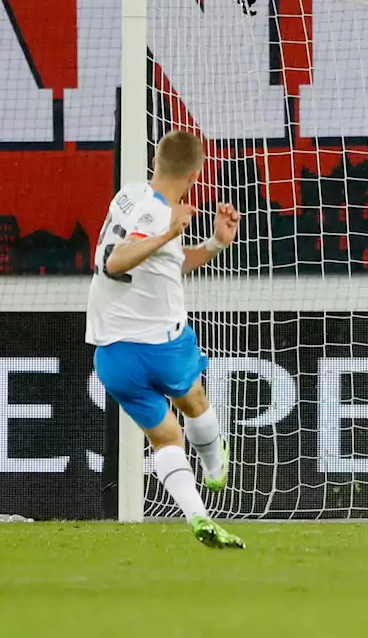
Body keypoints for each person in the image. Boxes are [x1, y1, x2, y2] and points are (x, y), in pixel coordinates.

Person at [86, 130, 244, 549]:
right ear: (196, 174)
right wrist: (169, 232)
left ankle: (198, 517)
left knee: (166, 439)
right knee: (195, 402)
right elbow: (114, 260)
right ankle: (214, 469)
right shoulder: (161, 219)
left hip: (113, 356)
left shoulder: (129, 196)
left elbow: (162, 264)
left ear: (156, 158)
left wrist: (213, 244)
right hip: (163, 347)